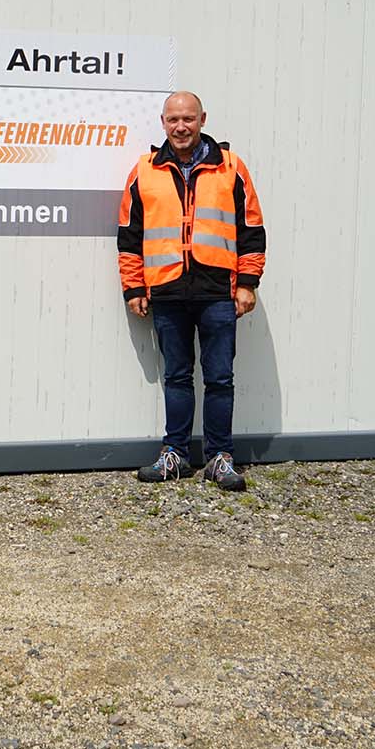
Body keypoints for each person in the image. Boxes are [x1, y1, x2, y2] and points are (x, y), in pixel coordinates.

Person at [117, 91, 266, 491]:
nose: (180, 127)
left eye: (188, 119)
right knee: (177, 377)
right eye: (173, 120)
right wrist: (134, 287)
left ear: (202, 119)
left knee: (220, 378)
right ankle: (177, 455)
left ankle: (220, 456)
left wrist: (248, 283)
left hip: (219, 291)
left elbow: (252, 230)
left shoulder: (231, 167)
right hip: (166, 290)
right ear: (163, 122)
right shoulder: (144, 170)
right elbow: (129, 235)